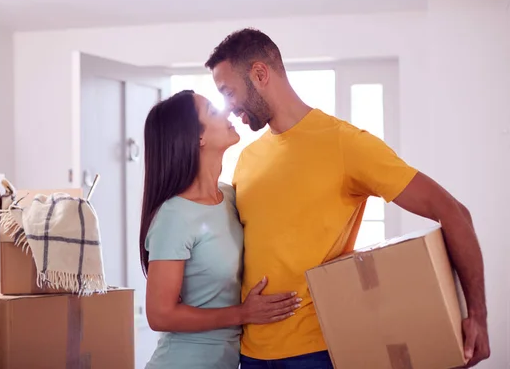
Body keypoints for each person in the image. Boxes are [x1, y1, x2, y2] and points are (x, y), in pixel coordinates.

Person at [205, 28, 490, 368]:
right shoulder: (247, 159)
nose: (227, 107)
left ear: (260, 74)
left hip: (317, 352)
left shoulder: (345, 144)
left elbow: (454, 212)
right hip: (249, 353)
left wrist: (477, 316)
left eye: (228, 92)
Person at [139, 90, 301, 369]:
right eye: (214, 111)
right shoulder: (174, 216)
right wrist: (243, 313)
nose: (227, 112)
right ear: (198, 138)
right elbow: (159, 316)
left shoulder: (229, 197)